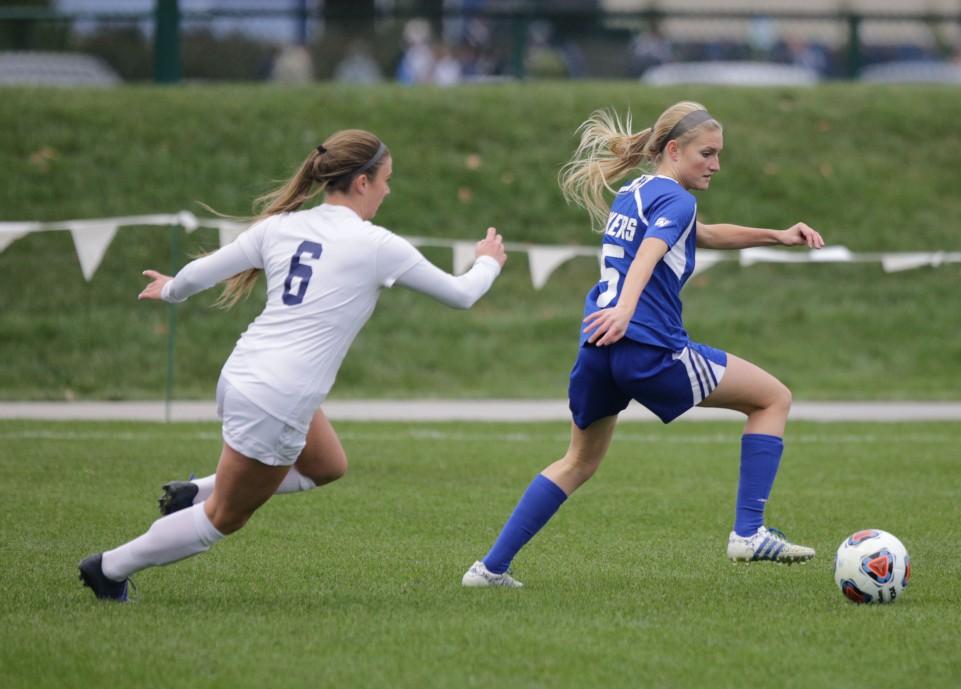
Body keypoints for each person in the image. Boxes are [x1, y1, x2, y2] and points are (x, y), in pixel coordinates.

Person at [78, 129, 507, 601]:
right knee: (225, 517)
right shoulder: (378, 244)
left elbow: (200, 273)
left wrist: (172, 288)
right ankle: (108, 569)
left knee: (327, 465)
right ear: (361, 182)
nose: (388, 189)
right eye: (386, 180)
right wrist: (488, 262)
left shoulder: (281, 226)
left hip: (244, 373)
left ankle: (193, 492)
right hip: (278, 395)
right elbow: (463, 295)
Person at [462, 101, 824, 588]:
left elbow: (702, 235)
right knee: (773, 398)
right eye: (707, 154)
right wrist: (630, 309)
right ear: (674, 150)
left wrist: (776, 235)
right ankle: (749, 532)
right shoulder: (677, 199)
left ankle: (489, 569)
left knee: (578, 462)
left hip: (599, 345)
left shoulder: (635, 192)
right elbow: (652, 253)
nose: (716, 165)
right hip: (647, 346)